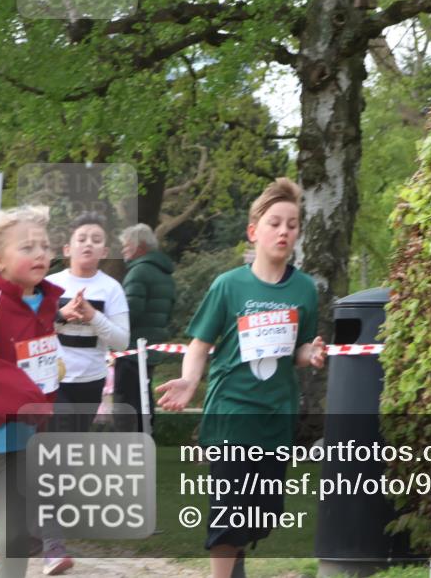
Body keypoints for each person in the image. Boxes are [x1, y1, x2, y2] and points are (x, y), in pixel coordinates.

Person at [156, 178, 327, 578]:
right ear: (254, 232)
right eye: (274, 223)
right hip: (232, 412)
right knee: (230, 509)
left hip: (276, 416)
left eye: (292, 224)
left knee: (258, 515)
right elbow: (199, 344)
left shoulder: (304, 289)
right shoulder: (229, 285)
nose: (284, 231)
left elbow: (297, 352)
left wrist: (311, 353)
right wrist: (189, 380)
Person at [43, 212, 130, 574]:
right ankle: (52, 546)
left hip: (90, 383)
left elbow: (122, 340)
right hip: (51, 382)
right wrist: (62, 313)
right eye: (82, 238)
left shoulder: (111, 288)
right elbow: (30, 327)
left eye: (96, 238)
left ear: (104, 249)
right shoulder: (49, 284)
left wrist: (93, 316)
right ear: (67, 248)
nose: (88, 243)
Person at [0, 206, 62, 578]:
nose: (40, 254)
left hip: (17, 442)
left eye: (45, 246)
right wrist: (21, 393)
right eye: (28, 247)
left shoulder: (46, 302)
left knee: (16, 540)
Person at [113, 224, 176, 433]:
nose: (123, 251)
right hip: (153, 344)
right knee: (143, 394)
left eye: (126, 246)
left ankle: (128, 442)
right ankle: (145, 435)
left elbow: (130, 311)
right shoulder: (164, 273)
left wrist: (109, 327)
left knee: (127, 398)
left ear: (139, 246)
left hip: (132, 347)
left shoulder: (138, 272)